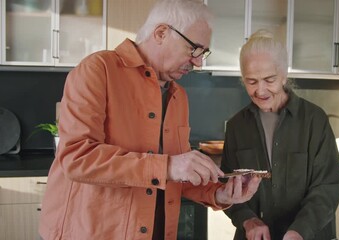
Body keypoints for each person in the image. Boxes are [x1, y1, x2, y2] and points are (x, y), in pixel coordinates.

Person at [38, 0, 261, 239]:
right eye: (194, 49)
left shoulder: (178, 96)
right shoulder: (98, 70)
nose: (199, 62)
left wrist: (219, 195)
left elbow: (176, 175)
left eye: (203, 52)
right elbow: (77, 157)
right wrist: (169, 166)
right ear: (161, 33)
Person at [220, 30, 339, 240]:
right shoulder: (236, 126)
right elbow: (228, 187)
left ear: (284, 75)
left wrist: (300, 230)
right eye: (251, 81)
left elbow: (327, 187)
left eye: (269, 79)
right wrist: (248, 220)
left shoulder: (315, 120)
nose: (260, 91)